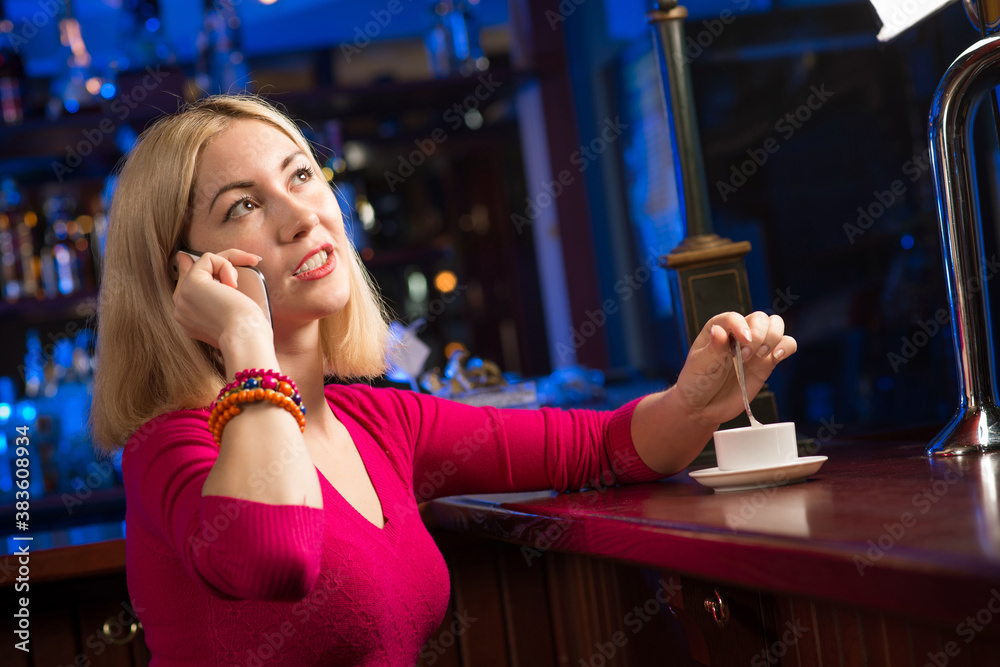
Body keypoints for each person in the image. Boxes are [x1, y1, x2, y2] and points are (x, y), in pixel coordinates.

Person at [90, 94, 796, 667]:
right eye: (243, 205)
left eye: (301, 175)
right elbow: (275, 555)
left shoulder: (379, 421)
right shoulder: (167, 447)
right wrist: (246, 338)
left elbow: (599, 446)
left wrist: (695, 401)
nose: (301, 214)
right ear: (179, 276)